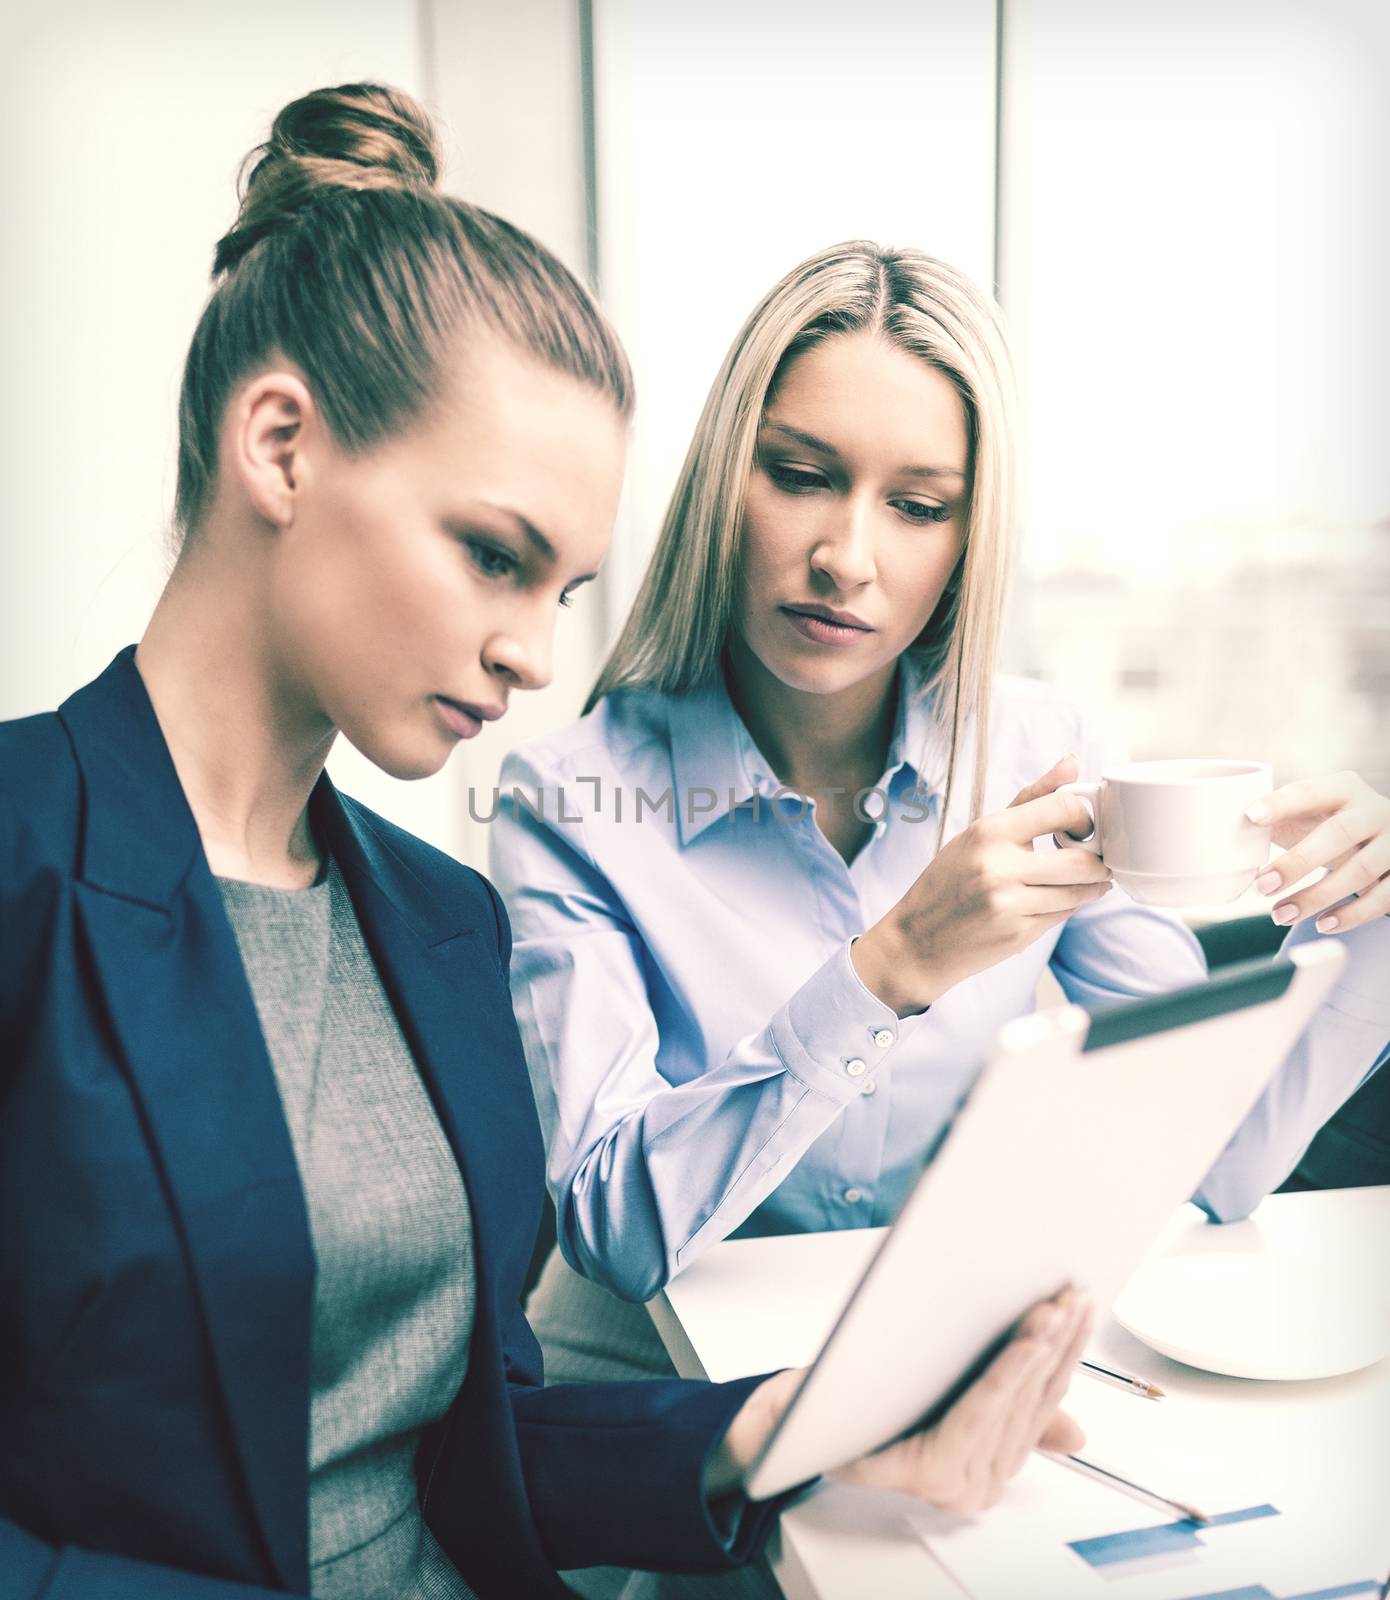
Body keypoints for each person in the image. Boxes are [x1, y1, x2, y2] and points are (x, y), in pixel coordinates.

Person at [0, 91, 1095, 1600]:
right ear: (280, 445)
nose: (529, 658)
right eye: (494, 556)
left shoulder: (438, 923)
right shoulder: (18, 864)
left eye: (563, 591)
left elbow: (461, 1450)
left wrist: (777, 1435)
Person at [488, 239, 1390, 1597]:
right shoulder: (568, 798)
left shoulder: (1039, 745)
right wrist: (888, 967)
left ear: (969, 539)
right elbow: (614, 1225)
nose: (844, 555)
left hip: (956, 1413)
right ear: (720, 477)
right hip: (702, 1445)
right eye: (797, 474)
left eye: (917, 505)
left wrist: (1368, 920)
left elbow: (1204, 1166)